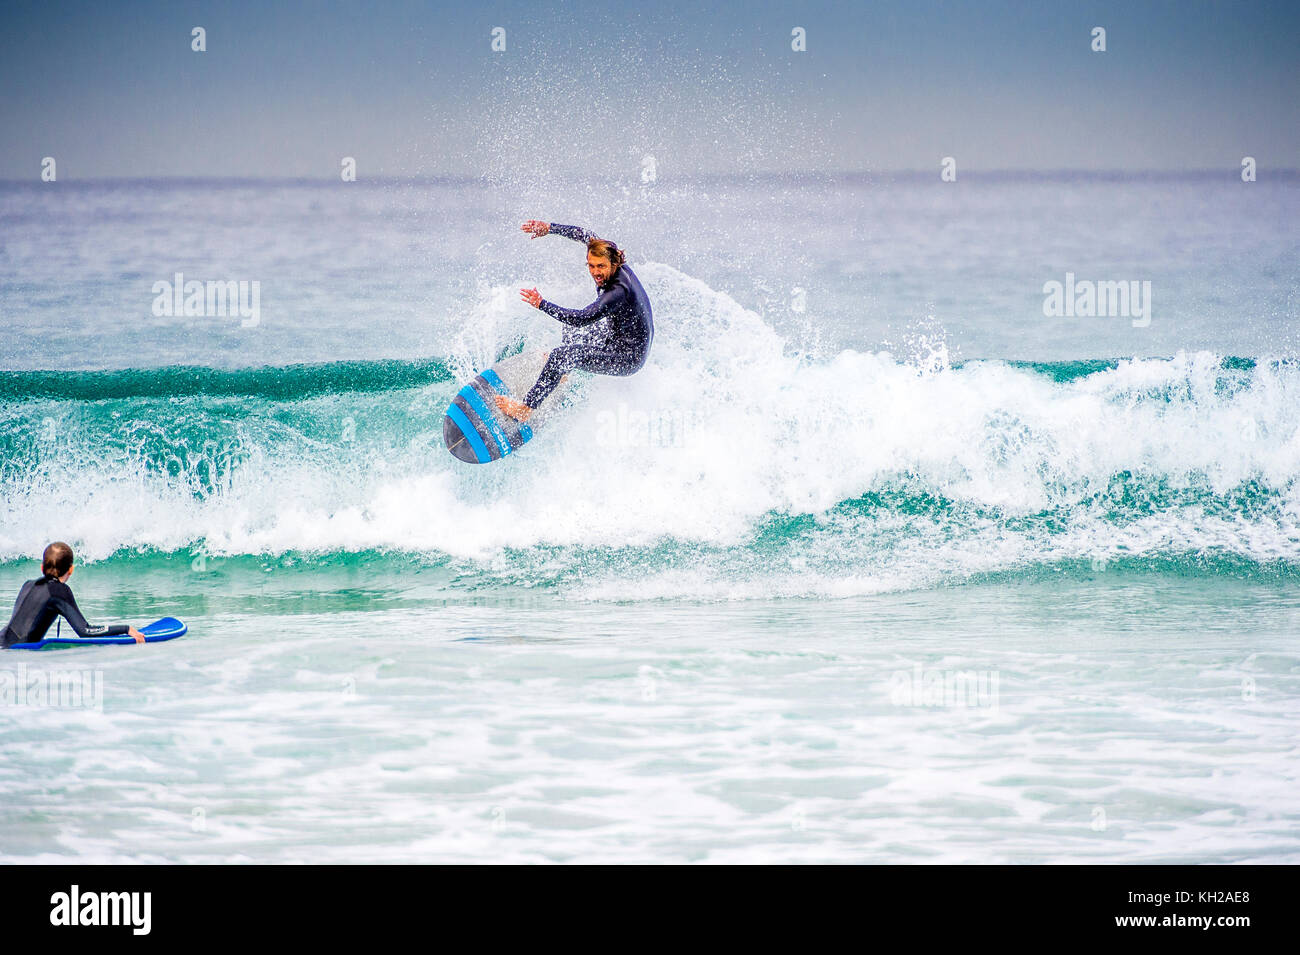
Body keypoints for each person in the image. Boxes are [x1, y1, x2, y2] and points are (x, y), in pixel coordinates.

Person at [494, 220, 654, 423]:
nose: (596, 272)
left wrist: (542, 303)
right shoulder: (605, 251)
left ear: (614, 263)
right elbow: (585, 234)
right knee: (570, 332)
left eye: (601, 267)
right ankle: (561, 374)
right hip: (617, 337)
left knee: (561, 355)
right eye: (591, 266)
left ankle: (524, 410)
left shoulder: (617, 291)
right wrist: (550, 228)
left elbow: (582, 318)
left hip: (627, 358)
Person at [1, 542, 144, 647]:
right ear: (71, 570)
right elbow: (85, 631)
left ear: (42, 567)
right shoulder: (60, 591)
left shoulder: (28, 584)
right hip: (16, 653)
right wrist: (126, 629)